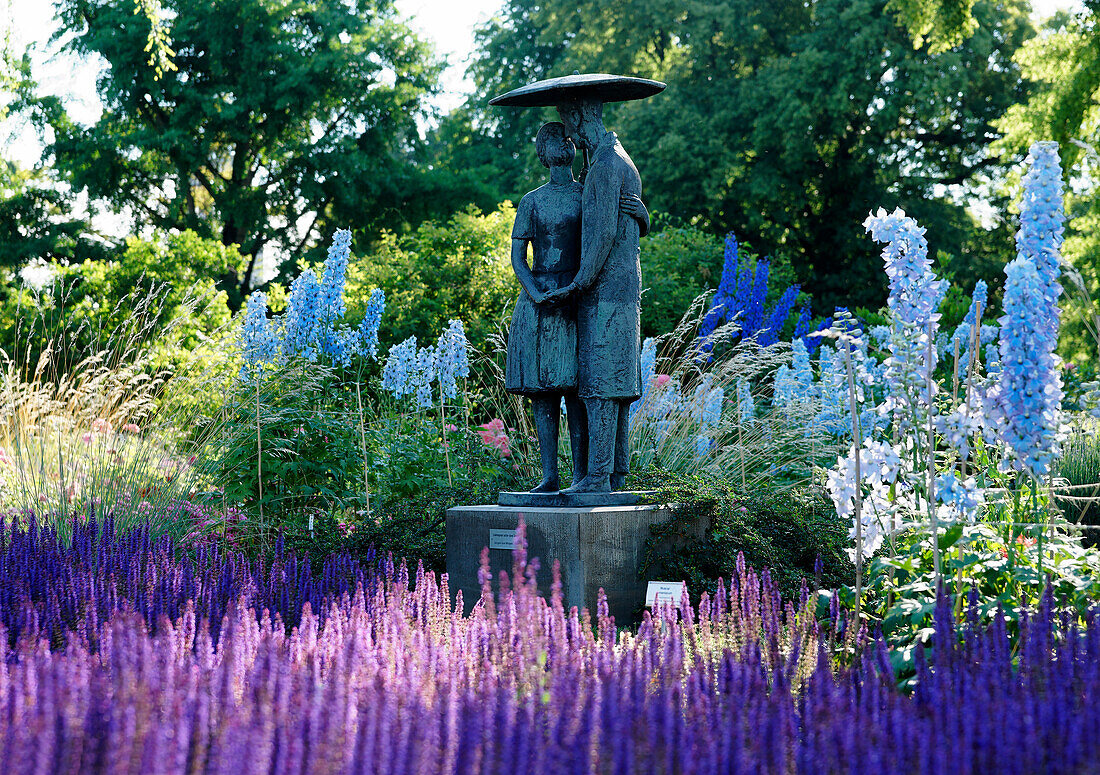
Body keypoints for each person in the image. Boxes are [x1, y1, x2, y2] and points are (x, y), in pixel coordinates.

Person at [545, 98, 649, 493]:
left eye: (570, 123)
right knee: (618, 382)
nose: (569, 135)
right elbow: (626, 225)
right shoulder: (615, 158)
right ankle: (615, 473)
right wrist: (644, 218)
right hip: (622, 289)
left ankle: (597, 477)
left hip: (605, 292)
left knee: (600, 383)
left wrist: (578, 284)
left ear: (584, 118)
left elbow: (603, 234)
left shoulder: (606, 166)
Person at [505, 122, 588, 492]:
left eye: (567, 137)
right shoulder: (532, 200)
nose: (563, 143)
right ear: (542, 152)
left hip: (575, 298)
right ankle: (549, 476)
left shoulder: (587, 194)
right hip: (539, 301)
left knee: (577, 390)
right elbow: (518, 257)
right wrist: (535, 292)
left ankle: (582, 475)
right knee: (544, 393)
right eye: (553, 139)